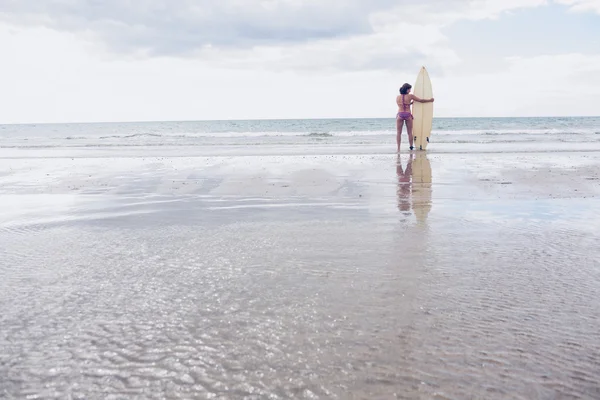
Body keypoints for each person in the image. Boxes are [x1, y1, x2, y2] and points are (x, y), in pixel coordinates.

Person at [396, 83, 434, 152]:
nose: (410, 90)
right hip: (408, 114)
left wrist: (409, 104)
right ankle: (411, 147)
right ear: (407, 89)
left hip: (400, 115)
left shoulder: (398, 97)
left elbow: (402, 105)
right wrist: (430, 100)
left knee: (399, 133)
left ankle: (398, 148)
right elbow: (421, 100)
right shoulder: (410, 96)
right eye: (409, 89)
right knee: (409, 132)